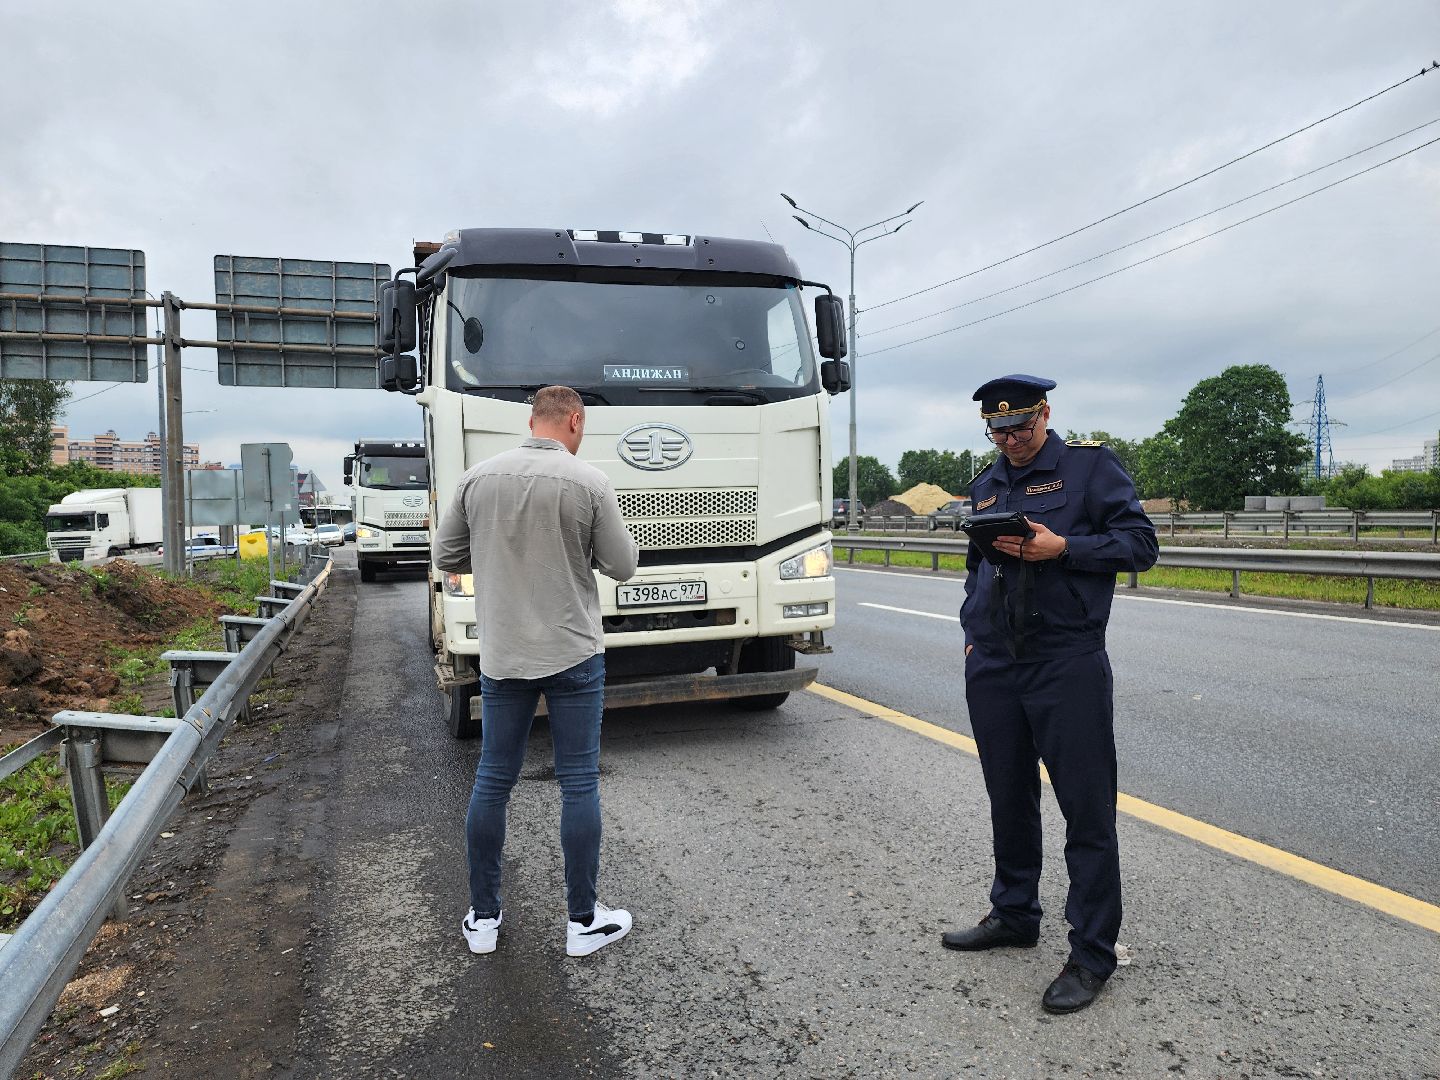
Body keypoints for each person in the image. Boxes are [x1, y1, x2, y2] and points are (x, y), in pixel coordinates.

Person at [943, 374, 1158, 1014]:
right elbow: (977, 567)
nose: (1010, 439)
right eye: (997, 429)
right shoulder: (987, 484)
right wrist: (971, 632)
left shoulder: (1091, 469)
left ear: (1045, 415)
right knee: (1008, 797)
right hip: (995, 665)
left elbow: (1141, 545)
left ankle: (1093, 953)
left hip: (1066, 662)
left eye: (1021, 427)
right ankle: (1014, 914)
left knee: (1086, 813)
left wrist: (1064, 547)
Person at [433, 384, 640, 958]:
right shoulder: (589, 482)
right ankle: (581, 923)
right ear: (573, 420)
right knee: (578, 782)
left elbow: (445, 555)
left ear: (532, 421)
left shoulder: (477, 479)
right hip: (574, 652)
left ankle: (483, 919)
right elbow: (622, 566)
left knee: (493, 780)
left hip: (503, 655)